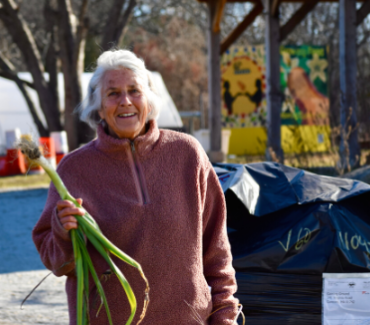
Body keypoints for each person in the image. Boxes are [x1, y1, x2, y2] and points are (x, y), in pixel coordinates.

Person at [32, 49, 238, 324]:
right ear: (98, 105)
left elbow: (217, 250)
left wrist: (225, 315)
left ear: (149, 99)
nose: (125, 101)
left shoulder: (187, 154)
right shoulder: (74, 169)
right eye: (113, 93)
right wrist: (61, 231)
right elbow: (57, 262)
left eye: (134, 90)